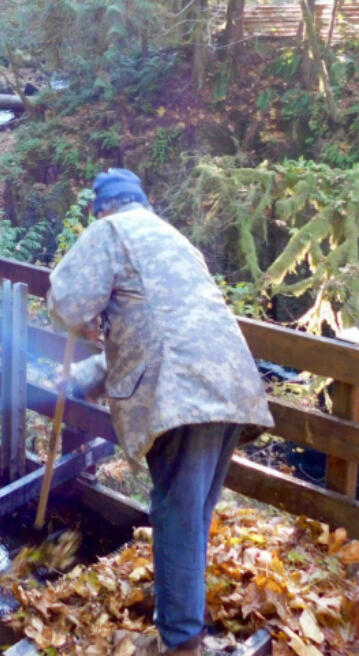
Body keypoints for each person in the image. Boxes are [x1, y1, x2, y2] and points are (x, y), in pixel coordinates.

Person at [47, 168, 273, 656]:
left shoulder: (109, 230)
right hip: (230, 382)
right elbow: (157, 325)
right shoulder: (172, 239)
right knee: (191, 515)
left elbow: (65, 301)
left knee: (176, 516)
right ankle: (182, 617)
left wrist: (84, 320)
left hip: (182, 391)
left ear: (103, 208)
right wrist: (89, 373)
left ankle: (181, 643)